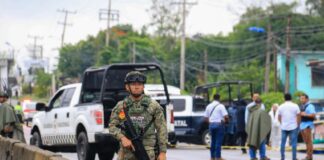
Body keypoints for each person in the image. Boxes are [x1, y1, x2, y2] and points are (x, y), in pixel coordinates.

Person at [109, 71, 167, 160]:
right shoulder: (121, 106)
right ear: (127, 87)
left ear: (143, 86)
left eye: (139, 84)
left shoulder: (154, 106)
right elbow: (112, 126)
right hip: (126, 153)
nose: (137, 86)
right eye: (133, 84)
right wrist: (122, 138)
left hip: (147, 153)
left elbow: (161, 129)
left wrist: (163, 152)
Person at [204, 94, 228, 160]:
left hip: (211, 125)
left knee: (213, 141)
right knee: (218, 142)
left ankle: (212, 157)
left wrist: (211, 122)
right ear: (219, 98)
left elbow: (205, 118)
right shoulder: (221, 106)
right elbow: (226, 116)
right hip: (219, 125)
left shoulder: (208, 106)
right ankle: (218, 157)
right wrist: (226, 121)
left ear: (213, 98)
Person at [278, 93, 300, 160]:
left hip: (284, 127)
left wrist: (282, 123)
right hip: (293, 126)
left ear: (284, 98)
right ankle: (294, 158)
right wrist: (297, 124)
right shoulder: (295, 106)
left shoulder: (281, 106)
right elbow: (298, 115)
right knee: (294, 144)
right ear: (291, 98)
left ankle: (282, 157)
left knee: (282, 143)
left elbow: (279, 117)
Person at [299, 94, 316, 160]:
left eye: (303, 98)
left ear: (307, 99)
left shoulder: (310, 106)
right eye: (301, 98)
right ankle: (307, 155)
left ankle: (310, 156)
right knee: (306, 141)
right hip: (302, 125)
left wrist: (305, 114)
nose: (301, 100)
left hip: (307, 125)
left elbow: (313, 115)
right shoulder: (302, 106)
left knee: (309, 141)